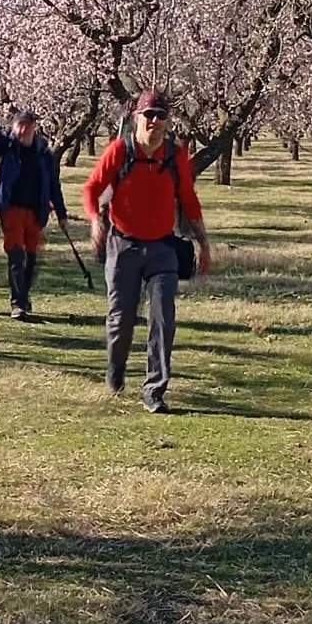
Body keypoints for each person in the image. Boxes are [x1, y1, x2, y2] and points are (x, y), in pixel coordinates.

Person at [82, 90, 212, 414]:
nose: (154, 121)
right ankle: (116, 369)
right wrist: (96, 222)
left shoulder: (175, 156)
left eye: (160, 115)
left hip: (162, 247)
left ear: (168, 122)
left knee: (163, 317)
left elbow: (189, 199)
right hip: (123, 245)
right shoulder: (120, 150)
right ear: (137, 117)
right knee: (121, 319)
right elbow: (92, 189)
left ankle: (155, 390)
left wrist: (204, 242)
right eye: (148, 114)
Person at [0, 87, 71, 320]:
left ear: (34, 127)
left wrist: (61, 214)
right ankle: (17, 303)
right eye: (20, 125)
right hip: (12, 209)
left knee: (32, 257)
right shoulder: (7, 147)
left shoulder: (45, 155)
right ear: (13, 127)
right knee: (16, 254)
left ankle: (24, 296)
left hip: (37, 211)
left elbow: (54, 186)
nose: (24, 129)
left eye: (28, 125)